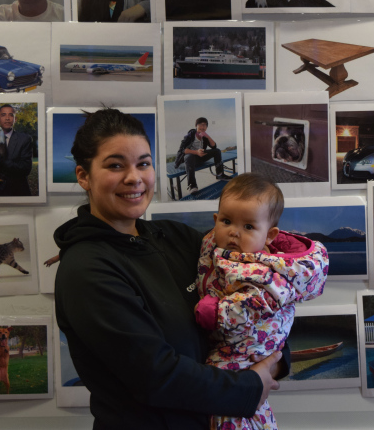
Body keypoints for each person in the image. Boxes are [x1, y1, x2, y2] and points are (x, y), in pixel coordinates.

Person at [53, 108, 284, 429]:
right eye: (116, 165)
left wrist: (273, 358)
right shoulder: (86, 270)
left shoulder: (174, 237)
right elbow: (155, 376)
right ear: (83, 176)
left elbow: (258, 275)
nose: (134, 177)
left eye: (143, 163)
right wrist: (250, 386)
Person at [195, 173, 328, 429]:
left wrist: (217, 312)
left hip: (247, 348)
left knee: (233, 411)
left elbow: (258, 302)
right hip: (230, 349)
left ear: (270, 235)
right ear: (215, 221)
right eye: (226, 221)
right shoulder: (220, 250)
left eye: (248, 227)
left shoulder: (262, 268)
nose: (234, 232)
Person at [173, 117, 232, 195]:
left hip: (201, 156)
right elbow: (183, 150)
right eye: (201, 124)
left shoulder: (204, 136)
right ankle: (192, 185)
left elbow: (214, 146)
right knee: (188, 156)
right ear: (196, 126)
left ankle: (220, 174)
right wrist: (196, 152)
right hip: (191, 158)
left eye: (205, 125)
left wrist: (208, 136)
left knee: (217, 151)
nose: (203, 126)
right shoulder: (190, 135)